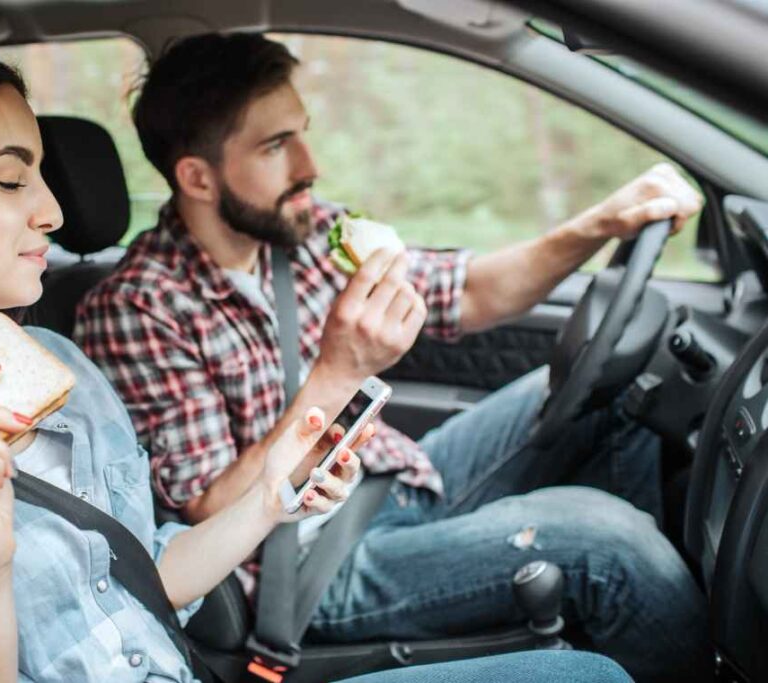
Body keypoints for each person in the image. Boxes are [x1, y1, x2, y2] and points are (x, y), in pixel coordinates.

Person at [0, 37, 632, 683]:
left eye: (44, 175)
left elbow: (143, 577)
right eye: (13, 180)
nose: (53, 211)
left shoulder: (52, 362)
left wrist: (275, 493)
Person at [77, 32, 712, 683]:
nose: (309, 163)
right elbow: (209, 505)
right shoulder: (138, 307)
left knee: (613, 392)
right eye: (275, 146)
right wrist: (337, 373)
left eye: (303, 132)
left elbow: (468, 290)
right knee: (608, 544)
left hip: (388, 474)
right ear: (197, 176)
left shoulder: (305, 231)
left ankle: (623, 632)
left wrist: (600, 224)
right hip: (304, 564)